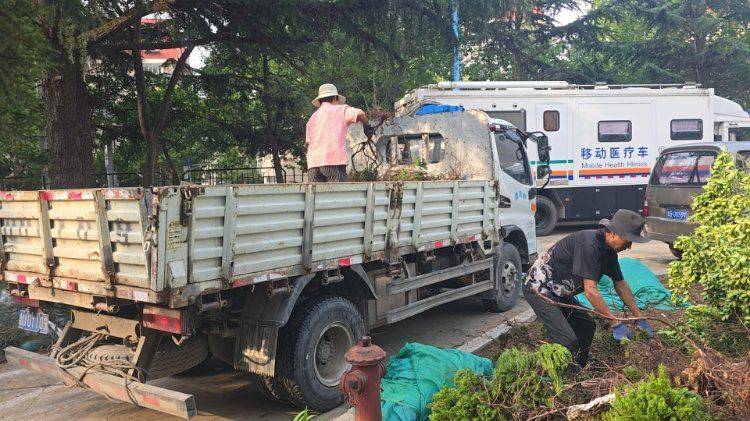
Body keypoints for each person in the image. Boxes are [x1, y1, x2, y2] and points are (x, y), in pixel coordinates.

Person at [523, 209, 655, 368]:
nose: (629, 247)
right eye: (627, 241)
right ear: (613, 233)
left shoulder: (609, 252)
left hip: (559, 292)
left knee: (587, 326)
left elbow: (620, 284)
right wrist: (615, 323)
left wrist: (638, 316)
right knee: (566, 339)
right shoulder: (589, 244)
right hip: (539, 289)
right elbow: (590, 291)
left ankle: (576, 370)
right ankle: (552, 377)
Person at [306, 83, 373, 182]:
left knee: (317, 197)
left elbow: (309, 142)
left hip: (313, 164)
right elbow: (360, 113)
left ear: (320, 101)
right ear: (335, 98)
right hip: (332, 161)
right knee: (338, 196)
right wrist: (367, 126)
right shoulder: (340, 109)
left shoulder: (312, 118)